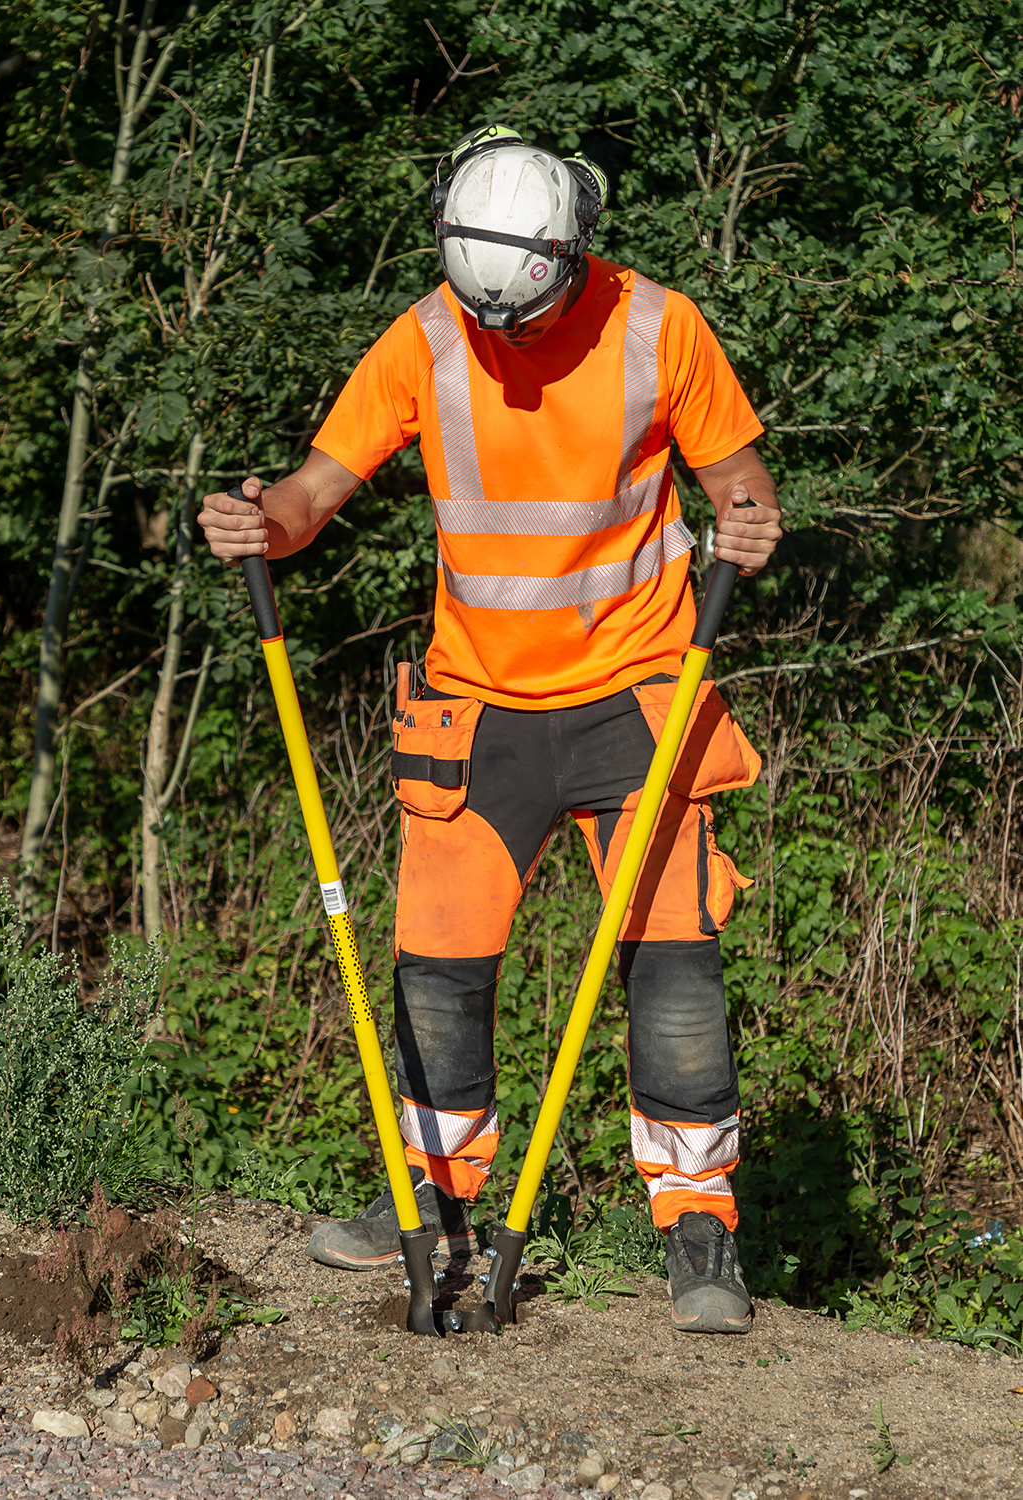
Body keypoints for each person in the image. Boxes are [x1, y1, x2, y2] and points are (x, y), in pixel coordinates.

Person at [197, 125, 782, 1333]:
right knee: (438, 976)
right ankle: (440, 1198)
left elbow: (740, 483)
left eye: (526, 316)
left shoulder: (659, 328)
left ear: (574, 251)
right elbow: (315, 489)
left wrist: (751, 521)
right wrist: (269, 523)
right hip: (477, 711)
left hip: (635, 697)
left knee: (675, 966)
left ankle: (701, 1228)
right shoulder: (424, 338)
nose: (506, 343)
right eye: (488, 321)